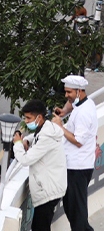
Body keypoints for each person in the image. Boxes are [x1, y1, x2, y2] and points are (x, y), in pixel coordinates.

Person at [12, 99, 67, 231]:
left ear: (39, 117)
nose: (26, 121)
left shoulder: (47, 136)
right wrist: (26, 140)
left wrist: (18, 143)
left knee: (40, 227)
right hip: (51, 187)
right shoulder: (46, 128)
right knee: (40, 226)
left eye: (28, 118)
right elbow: (37, 137)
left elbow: (25, 160)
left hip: (48, 191)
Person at [55, 75, 97, 231]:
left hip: (78, 168)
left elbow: (78, 141)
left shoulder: (84, 113)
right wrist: (64, 111)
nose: (67, 95)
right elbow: (72, 104)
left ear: (79, 91)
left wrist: (60, 127)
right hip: (74, 166)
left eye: (69, 92)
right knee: (72, 209)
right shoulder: (83, 103)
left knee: (77, 212)